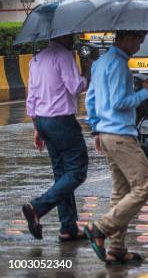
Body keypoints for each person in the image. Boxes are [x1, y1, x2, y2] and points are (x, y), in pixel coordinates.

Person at [84, 30, 148, 265]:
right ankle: (100, 228)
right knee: (143, 186)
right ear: (125, 38)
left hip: (106, 134)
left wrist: (96, 128)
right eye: (138, 40)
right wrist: (146, 92)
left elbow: (91, 98)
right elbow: (119, 103)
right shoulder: (119, 65)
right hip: (121, 134)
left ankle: (116, 248)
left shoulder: (101, 61)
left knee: (121, 192)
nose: (139, 45)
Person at [22, 35, 90, 241]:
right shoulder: (64, 55)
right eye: (72, 35)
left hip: (43, 120)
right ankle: (38, 207)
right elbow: (75, 87)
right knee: (77, 171)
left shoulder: (36, 59)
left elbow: (31, 97)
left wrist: (37, 128)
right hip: (62, 121)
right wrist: (87, 71)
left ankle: (68, 227)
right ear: (62, 35)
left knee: (62, 175)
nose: (75, 39)